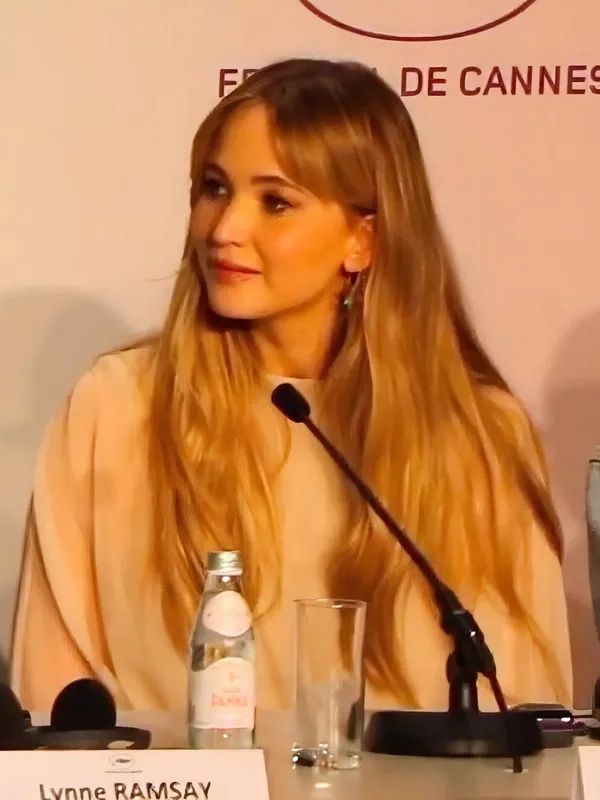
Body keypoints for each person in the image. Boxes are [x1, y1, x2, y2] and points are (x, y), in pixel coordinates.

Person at [10, 58, 573, 713]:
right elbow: (56, 706)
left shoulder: (479, 436)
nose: (225, 229)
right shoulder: (115, 408)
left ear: (363, 240)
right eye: (214, 189)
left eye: (275, 202)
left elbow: (527, 709)